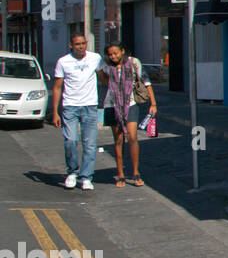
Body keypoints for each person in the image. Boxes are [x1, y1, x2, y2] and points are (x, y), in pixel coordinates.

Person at [50, 34, 103, 190]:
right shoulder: (63, 62)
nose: (80, 46)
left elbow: (103, 77)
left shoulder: (96, 58)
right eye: (77, 44)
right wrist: (55, 112)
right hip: (70, 106)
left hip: (90, 105)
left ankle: (86, 177)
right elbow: (57, 87)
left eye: (83, 43)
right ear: (71, 45)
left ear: (86, 44)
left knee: (90, 144)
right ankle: (72, 172)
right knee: (71, 140)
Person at [102, 42, 157, 188]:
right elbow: (104, 81)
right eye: (110, 54)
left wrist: (153, 103)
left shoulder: (133, 62)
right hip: (111, 104)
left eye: (116, 53)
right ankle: (120, 174)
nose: (113, 56)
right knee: (118, 140)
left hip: (130, 103)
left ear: (122, 51)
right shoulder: (106, 66)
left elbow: (146, 81)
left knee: (132, 137)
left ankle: (135, 172)